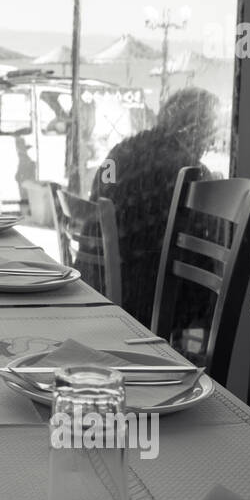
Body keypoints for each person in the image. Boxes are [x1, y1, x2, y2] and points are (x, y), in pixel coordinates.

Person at [90, 87, 221, 328]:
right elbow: (206, 240)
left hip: (96, 283)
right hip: (146, 297)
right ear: (194, 128)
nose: (212, 141)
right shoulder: (186, 170)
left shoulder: (123, 150)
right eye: (210, 130)